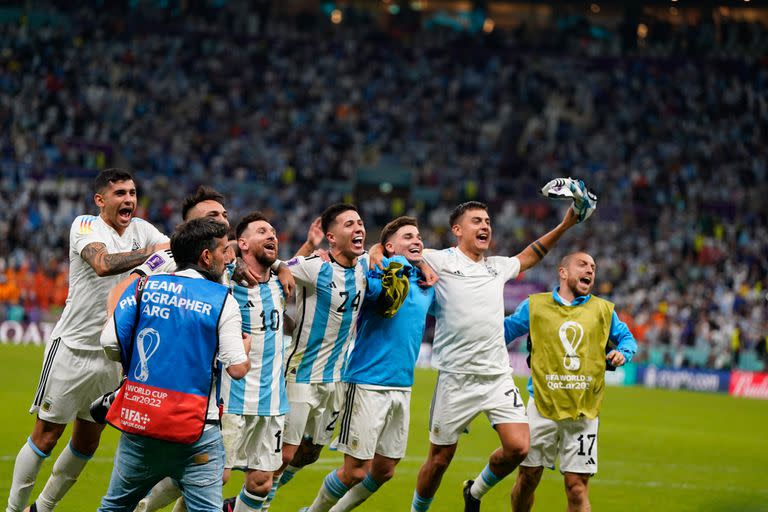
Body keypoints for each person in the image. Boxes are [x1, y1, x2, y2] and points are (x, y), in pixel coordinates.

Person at [407, 196, 589, 512]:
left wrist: (566, 223)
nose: (485, 226)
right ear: (457, 230)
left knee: (519, 447)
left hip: (496, 377)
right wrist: (384, 251)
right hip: (456, 378)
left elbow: (532, 254)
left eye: (488, 222)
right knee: (439, 460)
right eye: (477, 221)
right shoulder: (438, 259)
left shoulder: (496, 267)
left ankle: (474, 491)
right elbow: (389, 248)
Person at [6, 169, 170, 512]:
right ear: (100, 200)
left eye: (132, 193)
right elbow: (102, 263)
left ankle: (43, 508)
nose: (129, 199)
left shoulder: (144, 230)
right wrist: (153, 256)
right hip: (72, 348)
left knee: (87, 441)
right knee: (47, 436)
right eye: (120, 193)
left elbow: (175, 251)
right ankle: (13, 508)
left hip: (113, 355)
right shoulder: (84, 226)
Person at [97, 217, 251, 511]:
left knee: (114, 507)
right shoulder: (222, 300)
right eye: (222, 251)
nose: (226, 258)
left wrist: (136, 366)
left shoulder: (143, 287)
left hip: (141, 422)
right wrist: (246, 348)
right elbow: (237, 368)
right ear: (206, 257)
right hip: (196, 431)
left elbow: (109, 342)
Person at [300, 216, 435, 512]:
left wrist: (419, 266)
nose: (417, 241)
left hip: (403, 385)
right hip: (366, 382)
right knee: (355, 471)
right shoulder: (375, 274)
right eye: (408, 237)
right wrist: (379, 257)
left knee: (384, 470)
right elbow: (373, 293)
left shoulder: (427, 281)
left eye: (418, 236)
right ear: (389, 246)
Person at [506, 252, 637, 512]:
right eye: (583, 264)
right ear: (563, 272)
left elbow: (627, 339)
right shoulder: (536, 305)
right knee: (528, 478)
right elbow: (504, 331)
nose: (590, 270)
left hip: (583, 413)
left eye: (593, 267)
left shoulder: (603, 310)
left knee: (577, 487)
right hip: (541, 406)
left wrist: (623, 352)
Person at [265, 204, 369, 510]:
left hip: (336, 379)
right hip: (301, 375)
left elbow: (382, 249)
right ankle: (256, 503)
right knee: (284, 454)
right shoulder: (316, 267)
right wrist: (308, 248)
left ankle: (254, 496)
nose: (358, 228)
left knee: (310, 452)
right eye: (349, 224)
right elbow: (276, 266)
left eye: (360, 223)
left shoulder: (365, 267)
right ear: (332, 238)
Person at [221, 212, 288, 512]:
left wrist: (283, 266)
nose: (272, 235)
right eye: (262, 231)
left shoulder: (284, 279)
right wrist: (231, 254)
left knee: (262, 480)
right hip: (231, 399)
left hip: (271, 403)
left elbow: (316, 260)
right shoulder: (223, 279)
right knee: (212, 478)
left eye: (273, 231)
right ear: (243, 243)